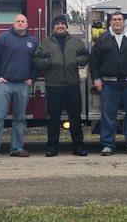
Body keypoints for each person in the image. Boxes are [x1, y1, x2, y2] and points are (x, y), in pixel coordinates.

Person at [89, 12, 127, 156]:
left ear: (124, 22)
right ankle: (108, 145)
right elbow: (94, 61)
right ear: (110, 22)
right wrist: (96, 79)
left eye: (119, 19)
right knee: (108, 115)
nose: (117, 22)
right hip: (109, 85)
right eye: (114, 19)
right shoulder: (103, 38)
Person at [33, 15, 90, 157]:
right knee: (53, 118)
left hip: (72, 85)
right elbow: (36, 59)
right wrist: (50, 62)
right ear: (53, 27)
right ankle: (52, 147)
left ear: (66, 26)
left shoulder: (76, 41)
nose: (60, 26)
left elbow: (86, 57)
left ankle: (78, 146)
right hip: (54, 85)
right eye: (57, 24)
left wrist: (76, 60)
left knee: (75, 117)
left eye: (62, 24)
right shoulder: (45, 43)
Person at [0, 14, 38, 159]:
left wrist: (32, 78)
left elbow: (37, 62)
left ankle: (17, 148)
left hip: (23, 85)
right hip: (4, 85)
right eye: (18, 21)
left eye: (23, 21)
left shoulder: (33, 41)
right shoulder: (3, 38)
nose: (20, 23)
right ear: (13, 24)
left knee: (20, 119)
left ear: (27, 25)